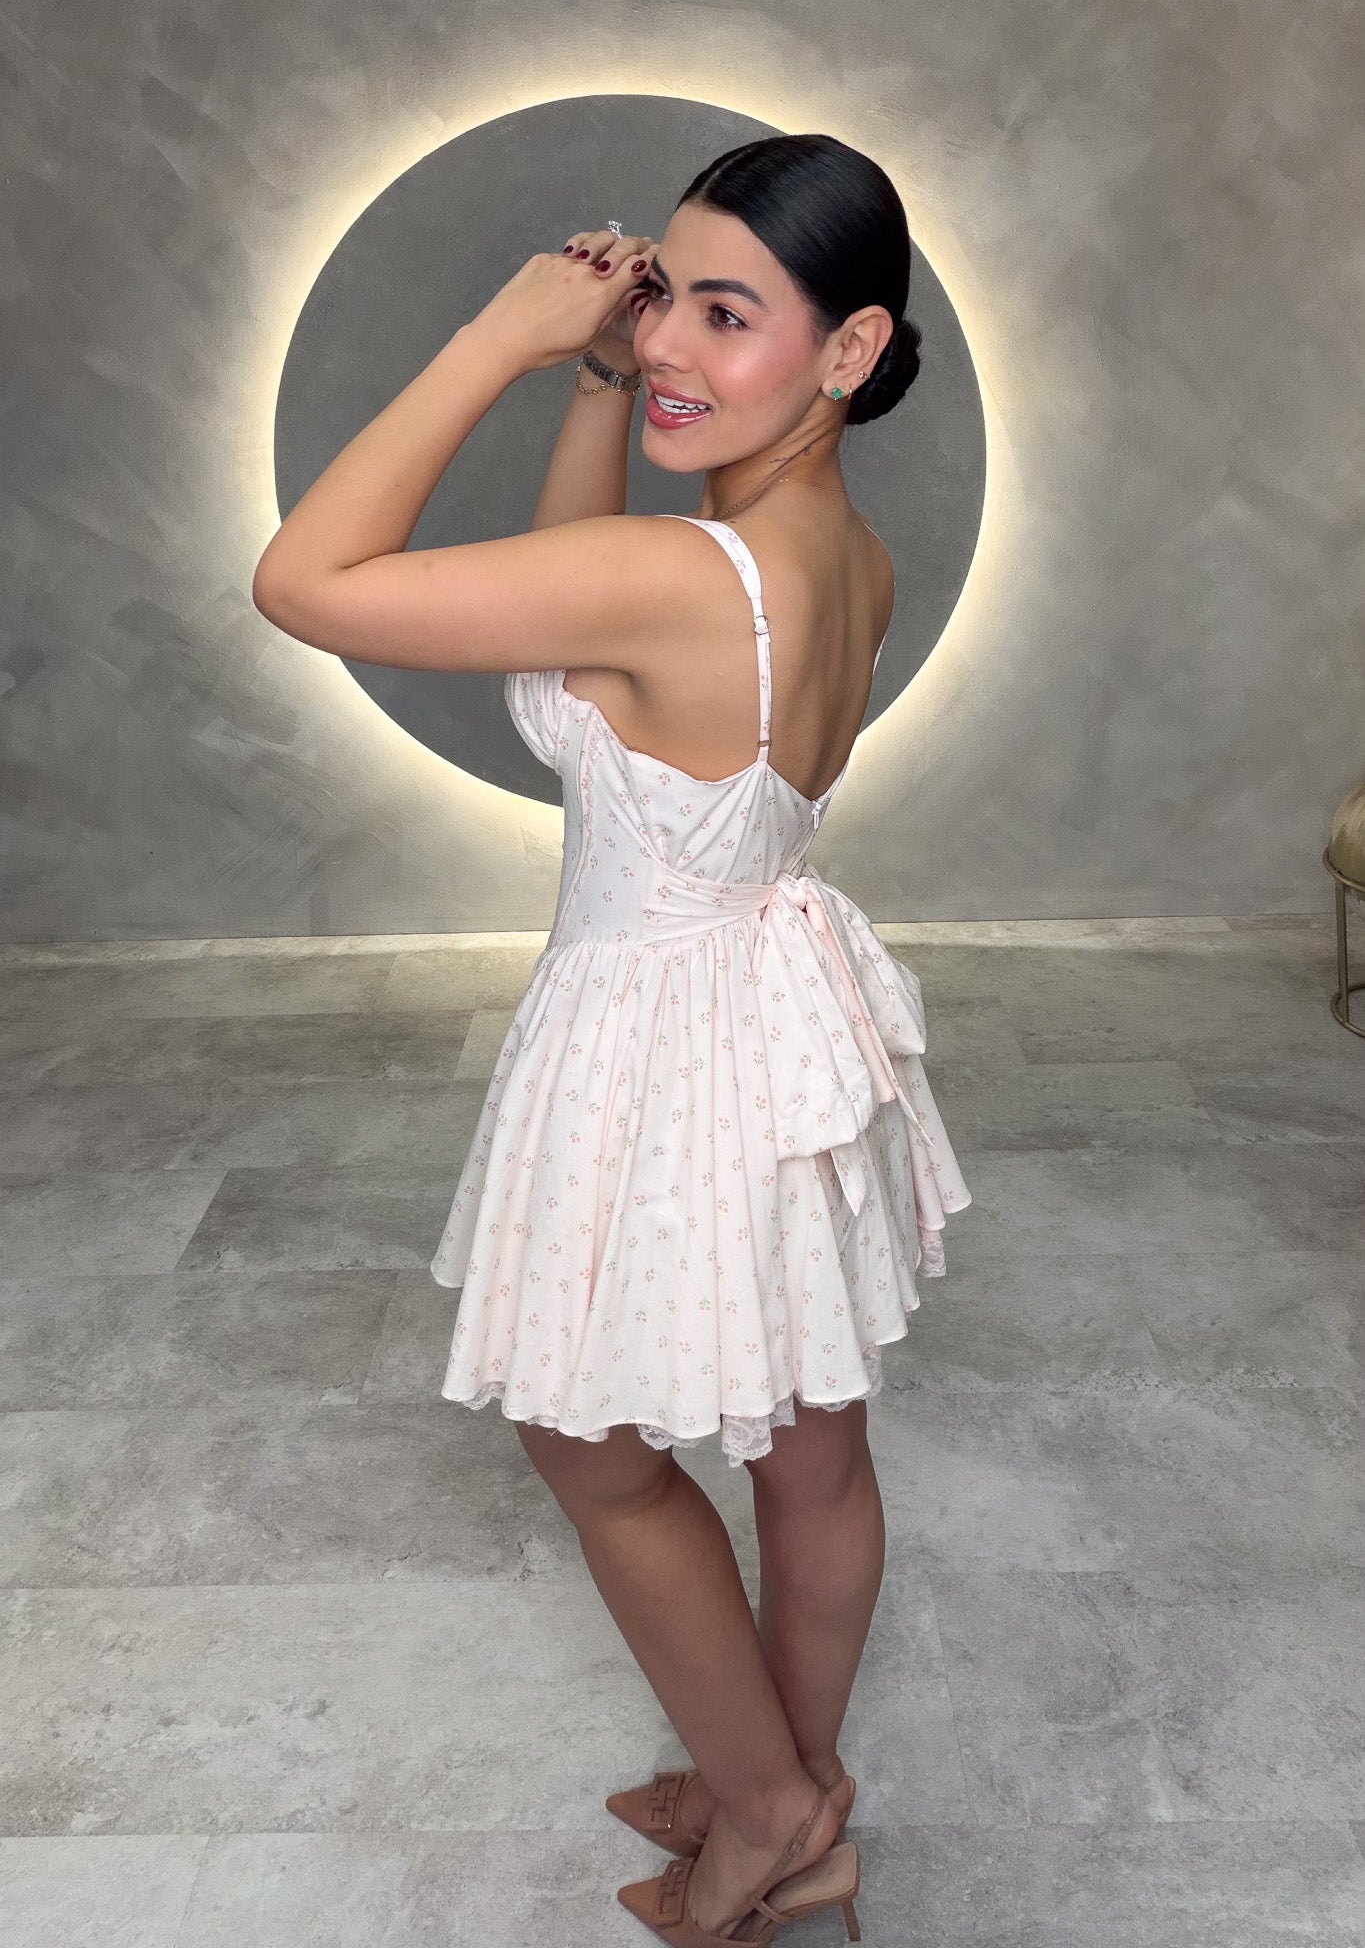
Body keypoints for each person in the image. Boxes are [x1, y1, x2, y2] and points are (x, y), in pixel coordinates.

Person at [253, 132, 971, 1945]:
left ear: (848, 349)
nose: (664, 346)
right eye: (666, 299)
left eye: (725, 314)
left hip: (660, 1036)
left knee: (588, 1446)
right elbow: (579, 581)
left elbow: (305, 580)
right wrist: (591, 375)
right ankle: (795, 1791)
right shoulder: (834, 559)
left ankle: (768, 1806)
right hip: (765, 1010)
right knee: (809, 1444)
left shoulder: (678, 582)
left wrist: (497, 338)